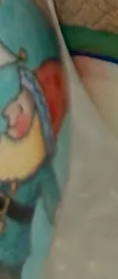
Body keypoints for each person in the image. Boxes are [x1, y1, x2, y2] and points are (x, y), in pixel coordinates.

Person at [0, 45, 68, 279]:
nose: (14, 121)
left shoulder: (39, 170)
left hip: (12, 254)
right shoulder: (5, 165)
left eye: (18, 108)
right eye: (6, 116)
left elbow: (55, 208)